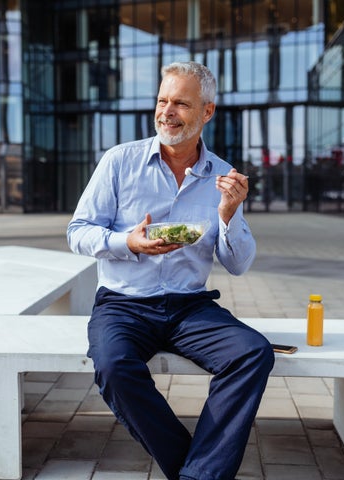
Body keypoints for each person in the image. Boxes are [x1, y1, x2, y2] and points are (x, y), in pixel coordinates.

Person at [66, 61, 274, 480]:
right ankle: (198, 472)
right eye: (163, 100)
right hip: (124, 303)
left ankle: (198, 474)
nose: (167, 111)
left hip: (189, 306)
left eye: (181, 103)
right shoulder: (120, 162)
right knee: (112, 367)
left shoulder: (223, 178)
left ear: (207, 112)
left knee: (252, 353)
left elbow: (238, 264)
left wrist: (229, 214)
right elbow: (77, 232)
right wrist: (128, 243)